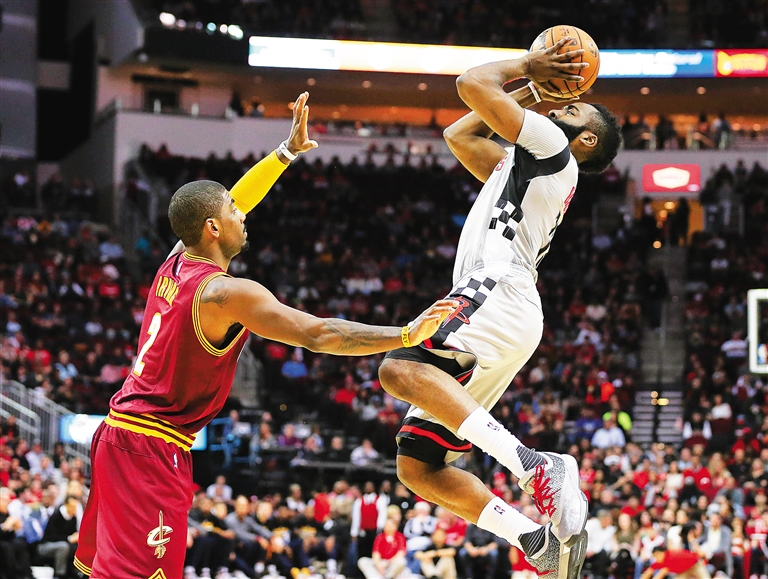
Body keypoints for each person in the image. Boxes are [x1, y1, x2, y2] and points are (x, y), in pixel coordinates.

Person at [73, 92, 457, 579]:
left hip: (119, 435)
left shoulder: (176, 261)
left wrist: (286, 152)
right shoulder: (225, 293)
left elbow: (235, 197)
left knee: (105, 570)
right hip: (149, 445)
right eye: (232, 212)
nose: (242, 214)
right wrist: (404, 333)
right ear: (213, 228)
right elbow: (318, 334)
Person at [377, 37, 622, 579]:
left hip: (497, 289)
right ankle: (534, 540)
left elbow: (470, 84)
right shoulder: (524, 164)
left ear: (585, 139)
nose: (560, 106)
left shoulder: (553, 149)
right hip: (506, 309)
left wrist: (528, 66)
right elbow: (459, 134)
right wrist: (533, 88)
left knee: (398, 368)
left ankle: (537, 467)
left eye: (572, 109)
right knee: (418, 466)